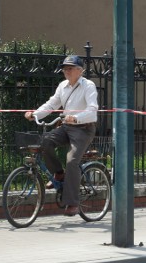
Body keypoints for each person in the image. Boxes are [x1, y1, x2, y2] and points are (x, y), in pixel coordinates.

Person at [25, 55, 99, 217]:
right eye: (65, 68)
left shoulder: (88, 86)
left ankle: (73, 203)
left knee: (72, 161)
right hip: (66, 126)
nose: (66, 71)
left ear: (80, 71)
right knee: (45, 142)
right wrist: (35, 114)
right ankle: (59, 173)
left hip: (83, 128)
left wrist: (77, 117)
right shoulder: (63, 86)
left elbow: (93, 110)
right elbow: (52, 104)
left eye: (70, 68)